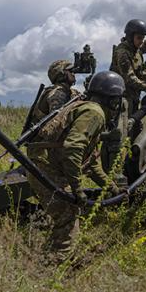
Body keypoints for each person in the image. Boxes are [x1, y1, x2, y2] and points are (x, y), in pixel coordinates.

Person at [26, 71, 125, 259]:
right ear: (113, 101)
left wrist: (112, 189)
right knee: (68, 215)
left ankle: (53, 256)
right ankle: (56, 264)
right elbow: (73, 149)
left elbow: (91, 164)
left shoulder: (87, 108)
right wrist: (77, 189)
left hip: (42, 167)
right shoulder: (95, 114)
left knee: (66, 217)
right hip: (46, 169)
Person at [109, 19, 146, 116]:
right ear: (130, 36)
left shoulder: (135, 49)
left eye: (143, 38)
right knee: (126, 123)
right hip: (123, 98)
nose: (141, 41)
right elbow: (130, 78)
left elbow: (145, 47)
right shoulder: (123, 53)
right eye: (139, 38)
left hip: (133, 96)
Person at [27, 59, 81, 126]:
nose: (73, 74)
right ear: (61, 74)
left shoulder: (71, 92)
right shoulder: (56, 94)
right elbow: (57, 122)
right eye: (70, 71)